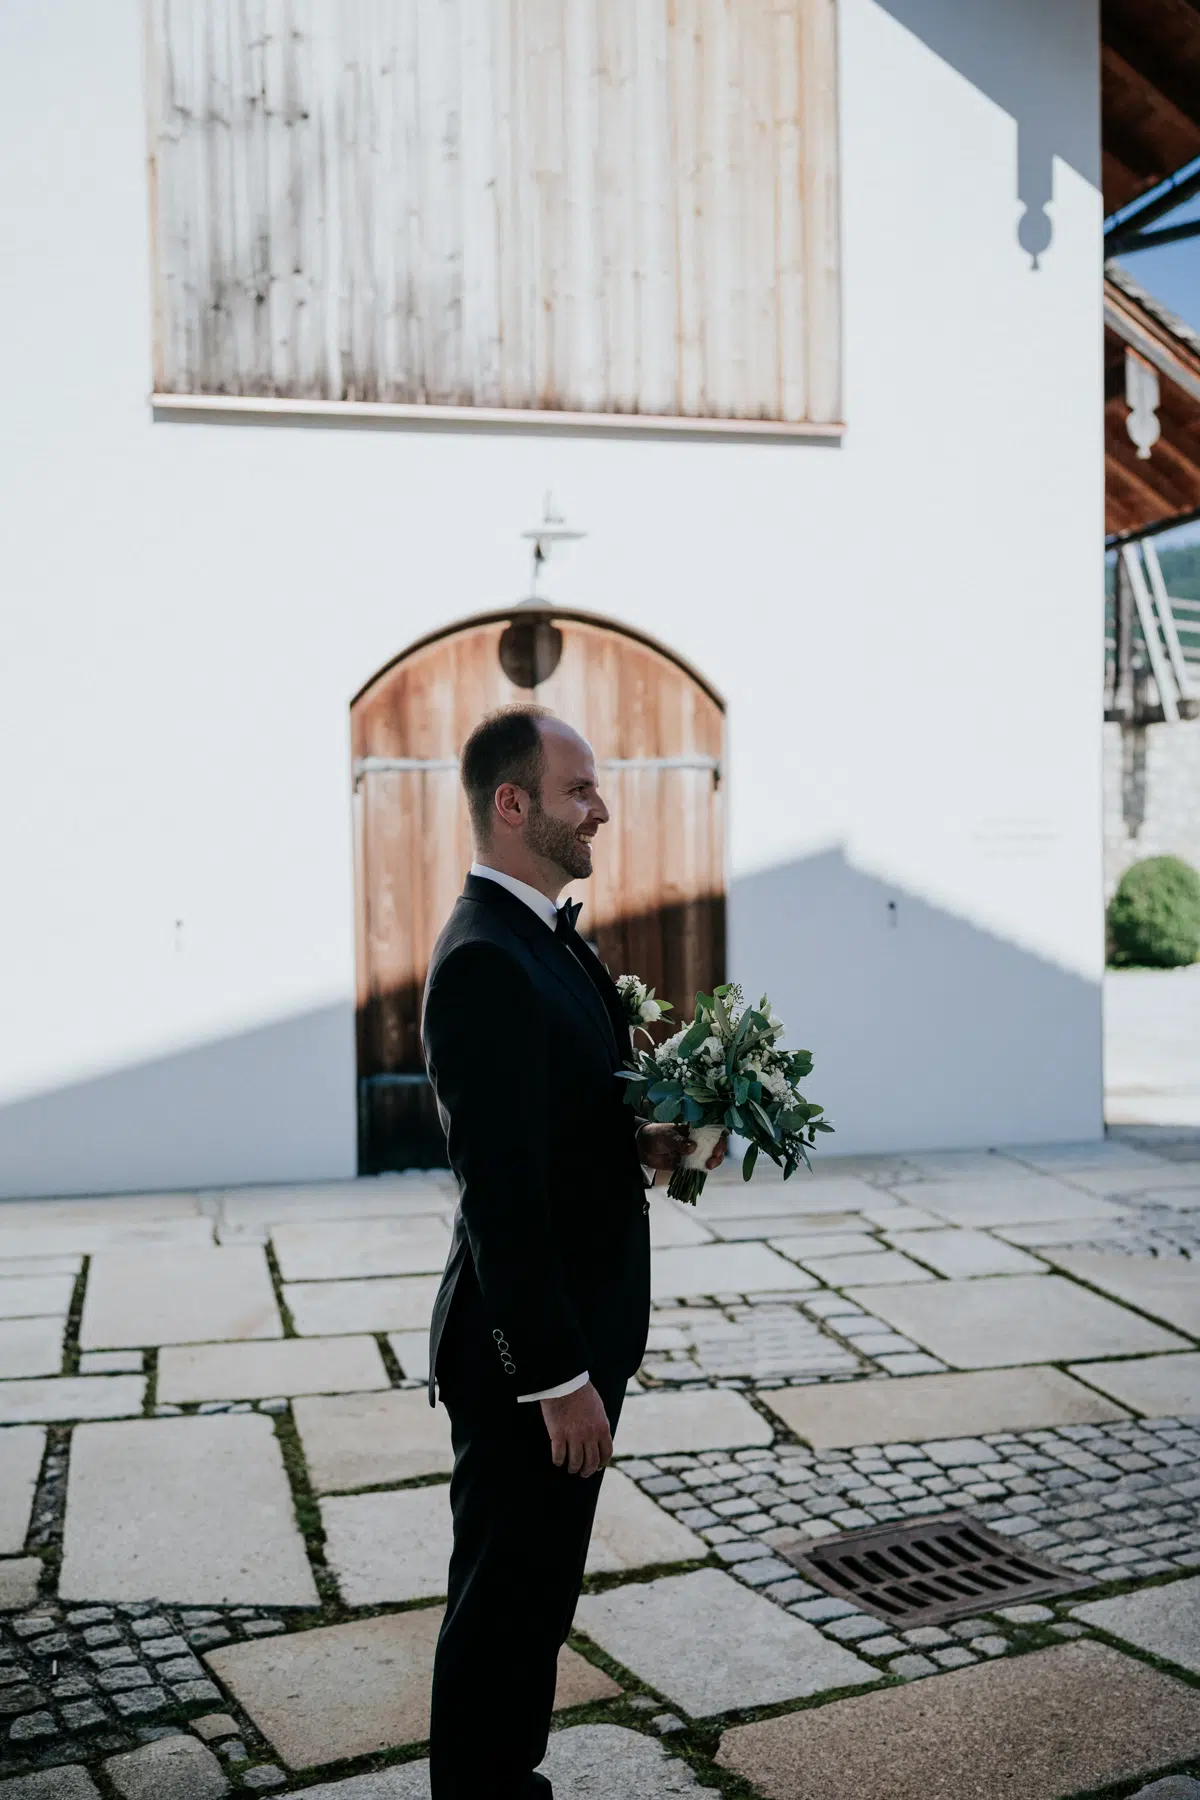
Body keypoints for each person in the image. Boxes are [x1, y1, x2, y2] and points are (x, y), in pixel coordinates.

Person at [422, 704, 724, 1797]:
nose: (601, 808)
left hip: (584, 1332)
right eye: (579, 789)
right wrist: (557, 1381)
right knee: (505, 1606)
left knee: (537, 1599)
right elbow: (500, 1197)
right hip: (530, 1364)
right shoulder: (484, 961)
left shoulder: (548, 937)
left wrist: (650, 1138)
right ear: (513, 805)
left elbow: (555, 1129)